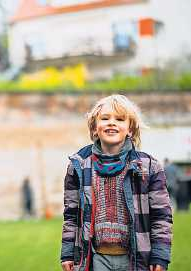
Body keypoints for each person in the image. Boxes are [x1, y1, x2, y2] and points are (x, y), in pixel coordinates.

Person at [60, 95, 172, 271]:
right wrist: (67, 253)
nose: (112, 123)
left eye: (120, 119)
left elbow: (161, 216)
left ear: (130, 129)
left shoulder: (149, 167)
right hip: (95, 257)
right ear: (95, 128)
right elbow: (71, 214)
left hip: (135, 257)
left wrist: (160, 254)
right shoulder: (79, 165)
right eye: (105, 118)